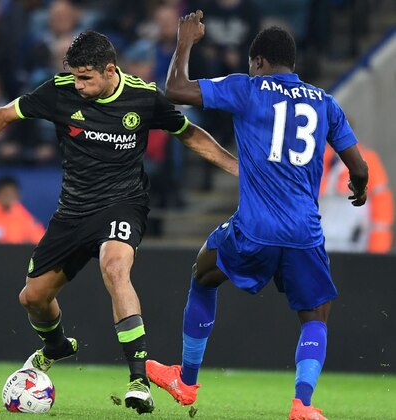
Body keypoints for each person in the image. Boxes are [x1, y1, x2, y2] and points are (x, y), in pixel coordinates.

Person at [0, 30, 239, 414]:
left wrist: (237, 167)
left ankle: (139, 381)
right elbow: (5, 113)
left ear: (110, 70)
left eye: (85, 78)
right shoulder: (59, 92)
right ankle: (55, 346)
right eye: (75, 76)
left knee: (115, 268)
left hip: (123, 203)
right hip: (72, 211)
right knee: (33, 298)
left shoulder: (144, 97)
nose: (79, 85)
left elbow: (189, 135)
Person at [144, 12, 368, 420]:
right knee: (315, 316)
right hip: (305, 232)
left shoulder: (247, 89)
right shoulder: (326, 102)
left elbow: (174, 89)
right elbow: (359, 167)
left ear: (260, 62)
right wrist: (360, 188)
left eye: (252, 63)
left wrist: (184, 42)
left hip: (255, 228)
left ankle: (187, 381)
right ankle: (302, 404)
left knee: (203, 273)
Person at [320, 143, 393, 253]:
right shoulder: (319, 158)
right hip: (320, 245)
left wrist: (377, 253)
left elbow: (381, 210)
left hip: (356, 248)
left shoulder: (368, 160)